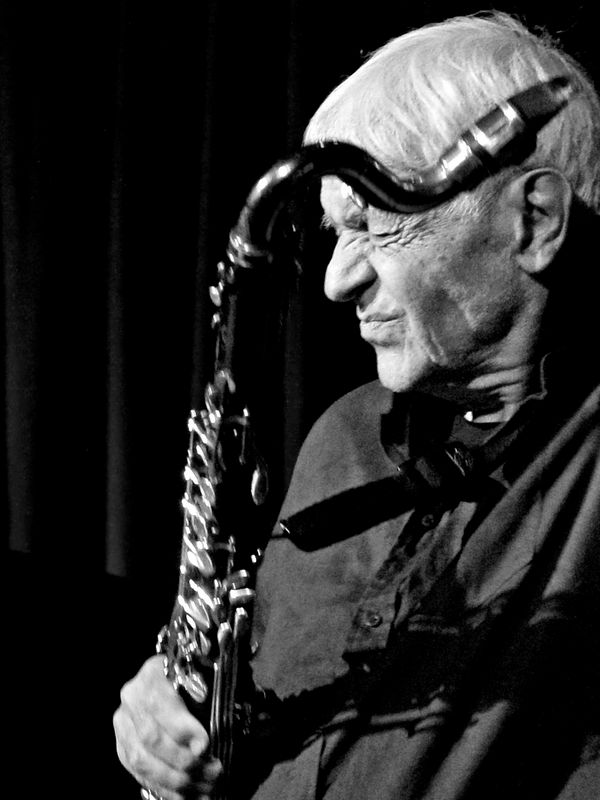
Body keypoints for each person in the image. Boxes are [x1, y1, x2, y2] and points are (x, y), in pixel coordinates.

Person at [113, 10, 600, 800]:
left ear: (534, 220)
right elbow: (255, 707)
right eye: (335, 231)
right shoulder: (344, 434)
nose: (338, 280)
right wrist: (165, 718)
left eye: (376, 225)